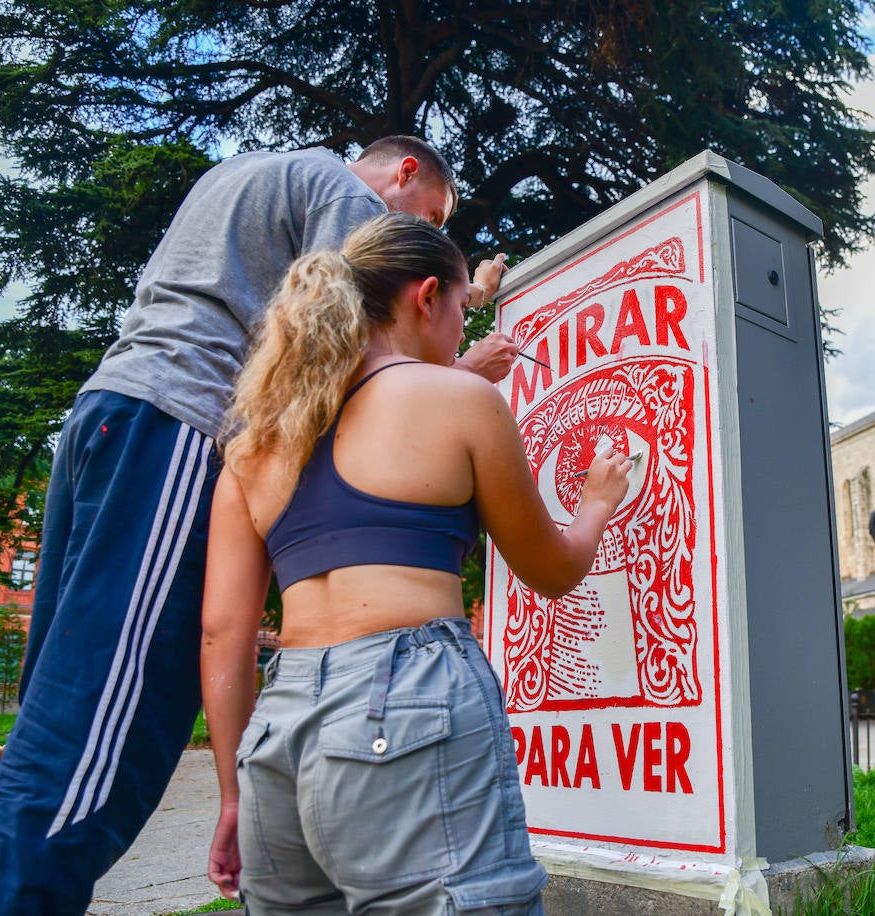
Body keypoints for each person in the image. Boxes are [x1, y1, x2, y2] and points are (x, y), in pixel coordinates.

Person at [0, 136, 519, 915]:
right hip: (178, 428)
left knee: (54, 736)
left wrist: (469, 298)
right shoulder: (347, 200)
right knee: (101, 758)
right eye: (430, 218)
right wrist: (460, 377)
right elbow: (356, 348)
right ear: (404, 173)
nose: (413, 242)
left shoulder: (250, 171)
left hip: (108, 418)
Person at [200, 212, 633, 912]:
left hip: (276, 734)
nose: (464, 328)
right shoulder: (461, 398)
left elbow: (223, 633)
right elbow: (552, 571)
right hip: (407, 692)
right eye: (463, 307)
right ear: (425, 297)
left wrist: (231, 795)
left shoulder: (255, 447)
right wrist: (595, 503)